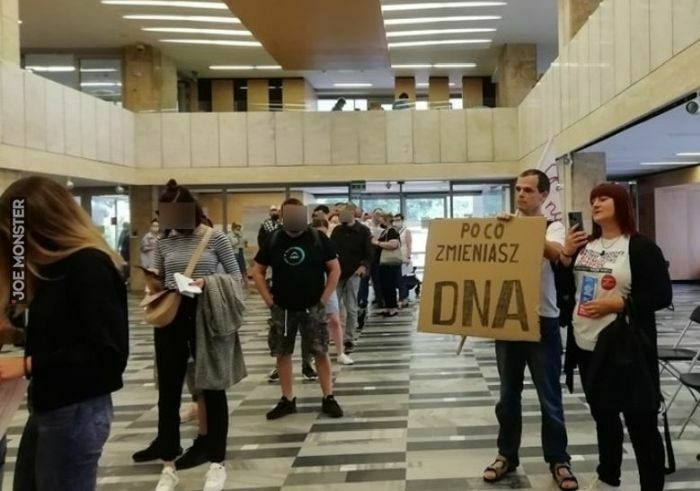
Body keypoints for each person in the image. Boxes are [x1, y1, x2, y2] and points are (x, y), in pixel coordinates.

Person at [0, 176, 129, 491]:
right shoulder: (53, 268)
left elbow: (107, 356)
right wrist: (14, 334)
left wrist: (28, 364)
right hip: (51, 405)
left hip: (77, 410)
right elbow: (62, 332)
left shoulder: (88, 266)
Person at [560, 182, 671, 491]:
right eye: (593, 199)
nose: (596, 204)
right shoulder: (585, 246)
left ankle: (651, 484)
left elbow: (662, 295)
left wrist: (619, 304)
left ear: (621, 203)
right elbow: (565, 290)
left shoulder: (640, 246)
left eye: (603, 198)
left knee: (640, 420)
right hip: (586, 344)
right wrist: (566, 256)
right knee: (604, 416)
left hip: (626, 347)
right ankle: (609, 476)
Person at [132, 179, 242, 491]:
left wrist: (207, 283)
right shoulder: (164, 242)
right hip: (173, 317)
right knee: (168, 392)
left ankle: (217, 461)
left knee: (213, 388)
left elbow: (236, 277)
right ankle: (168, 464)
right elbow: (161, 277)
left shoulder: (215, 238)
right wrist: (154, 281)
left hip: (206, 316)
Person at [483, 169, 578, 490]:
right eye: (518, 189)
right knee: (507, 396)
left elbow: (558, 255)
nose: (521, 194)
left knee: (549, 396)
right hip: (508, 318)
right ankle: (506, 454)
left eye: (528, 190)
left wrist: (523, 230)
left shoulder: (554, 227)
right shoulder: (506, 223)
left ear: (543, 195)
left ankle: (558, 459)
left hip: (543, 320)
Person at [251, 198, 344, 420]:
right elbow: (257, 271)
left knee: (320, 351)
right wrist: (269, 301)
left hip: (313, 307)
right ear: (283, 217)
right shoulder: (274, 240)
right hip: (283, 309)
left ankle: (328, 397)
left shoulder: (318, 239)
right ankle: (287, 399)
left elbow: (334, 269)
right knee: (283, 353)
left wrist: (323, 299)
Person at [331, 203, 373, 353]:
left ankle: (349, 337)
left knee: (351, 307)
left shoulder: (363, 230)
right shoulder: (337, 231)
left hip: (354, 272)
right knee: (334, 307)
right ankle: (336, 336)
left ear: (352, 213)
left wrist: (363, 266)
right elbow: (331, 250)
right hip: (337, 272)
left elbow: (369, 252)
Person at [312, 218, 354, 365]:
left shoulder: (328, 245)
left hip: (327, 285)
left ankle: (340, 352)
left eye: (323, 233)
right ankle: (313, 353)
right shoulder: (307, 245)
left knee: (335, 320)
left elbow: (335, 268)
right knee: (313, 323)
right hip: (310, 287)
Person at [373, 213, 401, 317]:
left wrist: (378, 243)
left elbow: (393, 244)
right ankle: (388, 306)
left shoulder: (392, 231)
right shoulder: (384, 231)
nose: (380, 221)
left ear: (387, 220)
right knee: (384, 285)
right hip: (382, 264)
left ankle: (393, 307)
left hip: (390, 263)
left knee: (390, 285)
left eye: (382, 219)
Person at [392, 213, 413, 308]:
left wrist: (408, 257)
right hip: (394, 258)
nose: (396, 222)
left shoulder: (406, 231)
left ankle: (403, 298)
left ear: (402, 221)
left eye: (398, 220)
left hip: (404, 258)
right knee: (396, 279)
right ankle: (401, 298)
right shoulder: (393, 231)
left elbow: (409, 245)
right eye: (395, 220)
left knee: (402, 280)